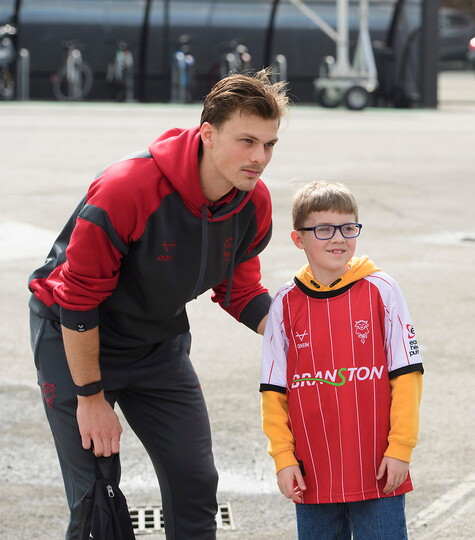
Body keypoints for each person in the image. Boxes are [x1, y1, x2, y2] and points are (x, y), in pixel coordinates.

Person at [28, 69, 289, 539]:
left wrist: (297, 336)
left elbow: (241, 289)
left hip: (156, 342)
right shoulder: (128, 187)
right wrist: (90, 397)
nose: (260, 158)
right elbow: (78, 298)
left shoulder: (253, 202)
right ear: (208, 133)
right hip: (75, 337)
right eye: (247, 141)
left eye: (269, 144)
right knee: (98, 498)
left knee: (195, 481)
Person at [260, 181, 424, 539]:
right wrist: (283, 459)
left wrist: (400, 448)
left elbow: (407, 375)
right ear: (298, 239)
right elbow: (274, 391)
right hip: (313, 471)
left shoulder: (382, 290)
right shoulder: (285, 304)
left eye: (348, 228)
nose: (338, 238)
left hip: (377, 467)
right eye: (323, 229)